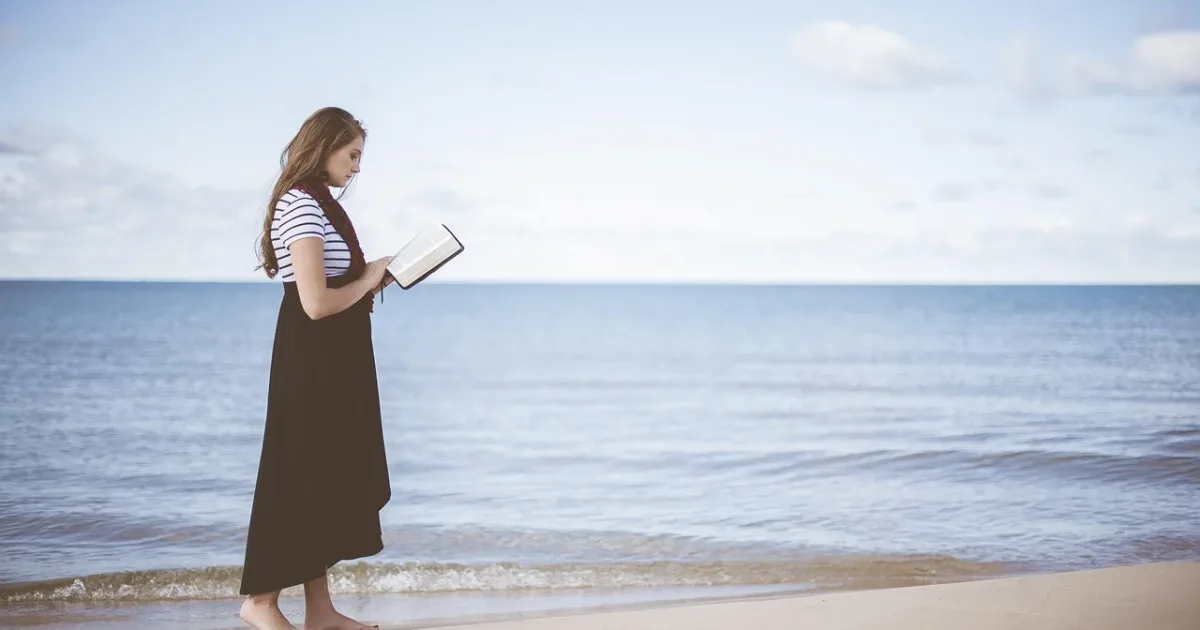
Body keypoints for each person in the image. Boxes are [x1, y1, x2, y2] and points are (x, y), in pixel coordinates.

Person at [239, 106, 395, 630]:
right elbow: (315, 303)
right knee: (296, 478)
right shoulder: (301, 206)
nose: (355, 168)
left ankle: (321, 612)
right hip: (312, 362)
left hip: (333, 361)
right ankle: (260, 604)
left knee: (320, 480)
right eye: (352, 155)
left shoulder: (316, 204)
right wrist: (370, 279)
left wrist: (376, 278)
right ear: (325, 147)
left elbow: (331, 294)